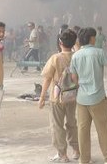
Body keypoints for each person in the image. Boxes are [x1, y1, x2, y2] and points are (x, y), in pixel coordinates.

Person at [70, 27, 107, 164]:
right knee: (103, 129)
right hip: (97, 98)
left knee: (82, 131)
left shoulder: (75, 56)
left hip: (81, 99)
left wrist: (81, 86)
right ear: (92, 38)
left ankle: (84, 160)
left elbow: (74, 77)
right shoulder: (99, 53)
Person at [40, 29, 80, 162]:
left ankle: (62, 154)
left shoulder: (55, 58)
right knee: (72, 123)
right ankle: (76, 150)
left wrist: (42, 97)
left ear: (60, 42)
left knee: (57, 125)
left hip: (57, 98)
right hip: (73, 96)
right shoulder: (77, 56)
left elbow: (47, 79)